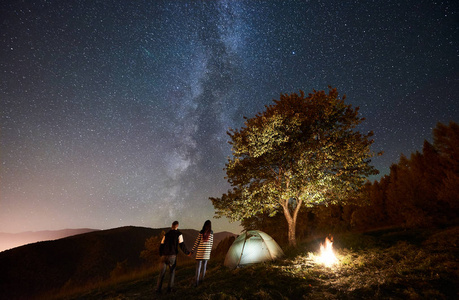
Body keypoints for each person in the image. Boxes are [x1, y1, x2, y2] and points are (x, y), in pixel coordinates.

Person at [156, 220, 192, 294]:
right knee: (172, 272)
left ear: (171, 226)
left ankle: (158, 290)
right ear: (177, 226)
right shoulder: (179, 234)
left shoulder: (166, 234)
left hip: (163, 256)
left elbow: (161, 245)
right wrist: (187, 253)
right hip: (172, 256)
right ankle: (169, 289)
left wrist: (161, 254)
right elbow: (182, 245)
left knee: (161, 274)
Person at [191, 220, 213, 287]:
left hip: (200, 252)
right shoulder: (211, 232)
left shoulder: (201, 232)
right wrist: (209, 252)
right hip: (206, 253)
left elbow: (197, 242)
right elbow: (211, 243)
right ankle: (202, 281)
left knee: (198, 268)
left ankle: (196, 282)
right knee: (204, 267)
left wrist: (192, 250)